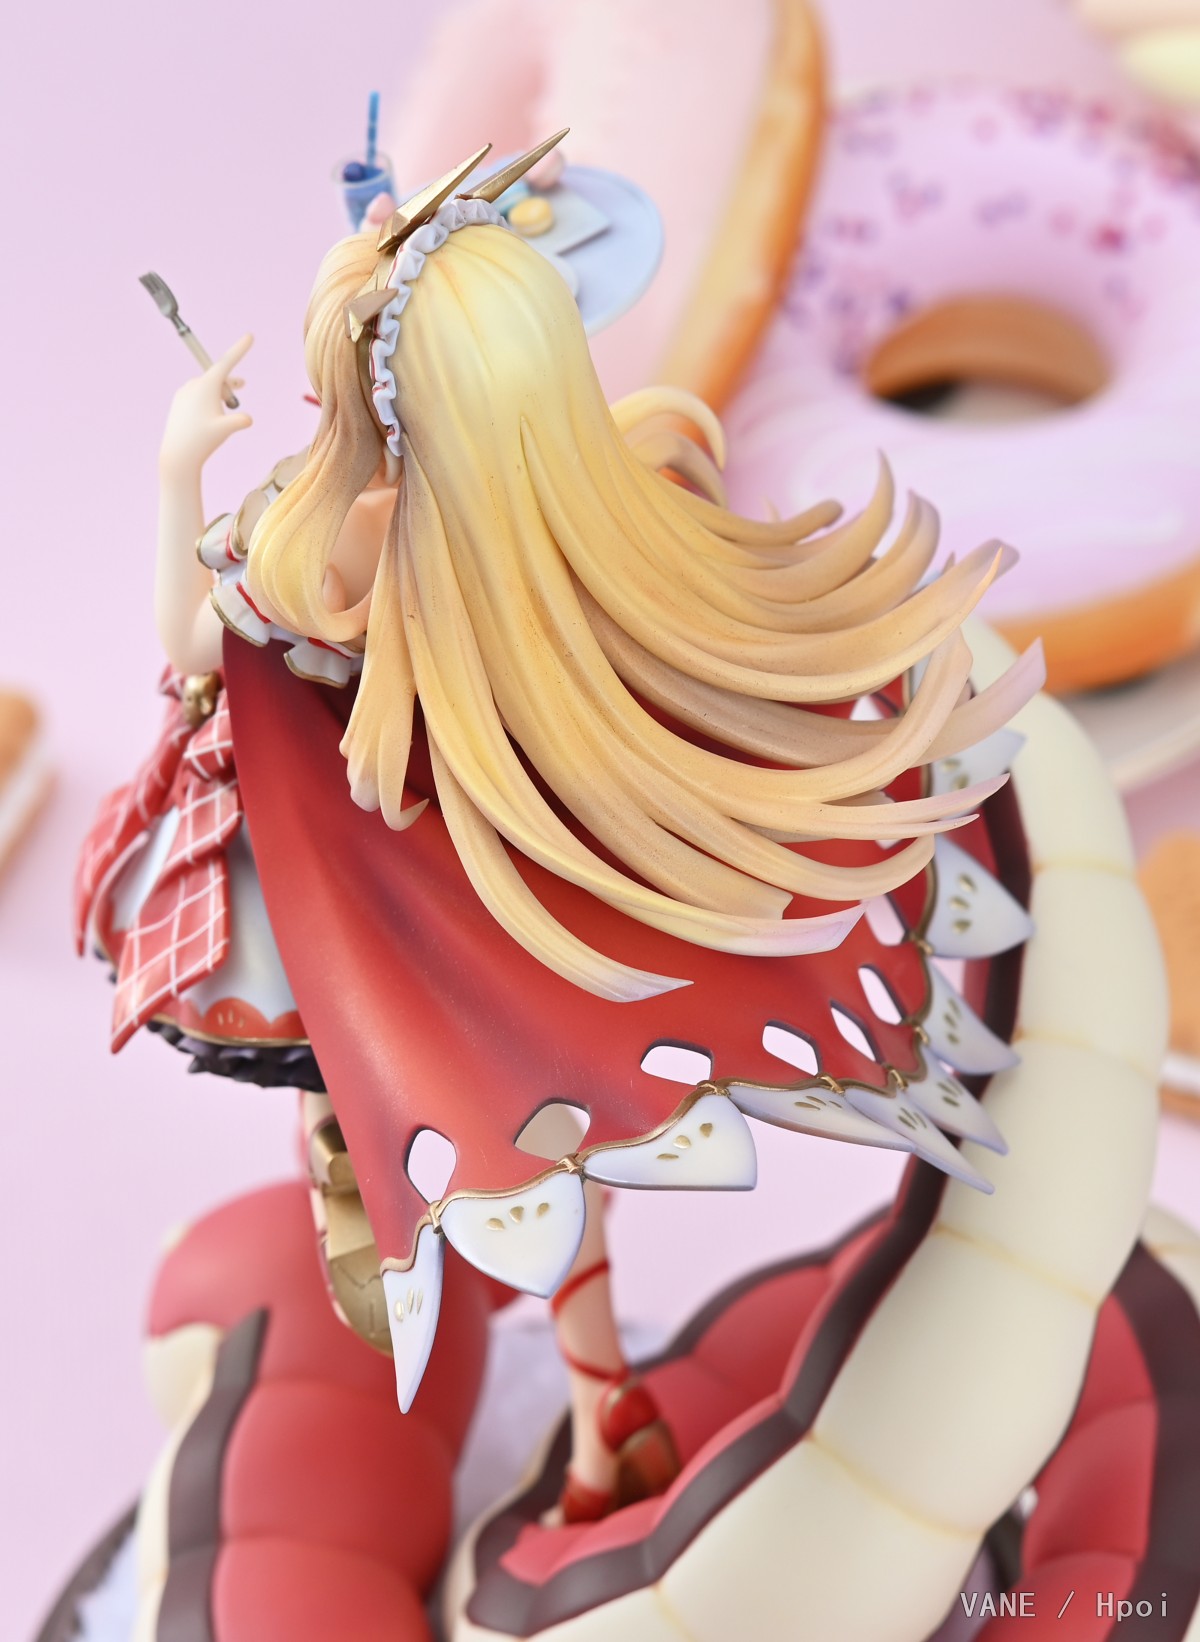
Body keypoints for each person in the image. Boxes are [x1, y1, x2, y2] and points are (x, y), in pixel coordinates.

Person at [78, 139, 1039, 1522]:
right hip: (505, 885)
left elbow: (188, 643)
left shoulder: (312, 549)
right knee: (547, 1126)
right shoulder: (600, 504)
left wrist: (183, 467)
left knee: (396, 1092)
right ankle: (596, 1386)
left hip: (359, 894)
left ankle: (375, 1182)